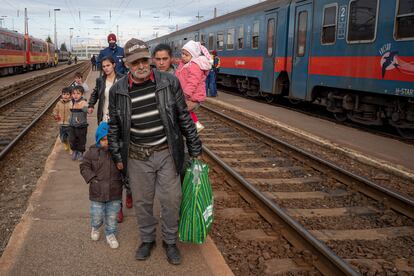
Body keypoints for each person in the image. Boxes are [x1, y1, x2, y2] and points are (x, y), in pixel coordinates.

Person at [107, 38, 202, 265]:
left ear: (149, 59)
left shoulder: (168, 82)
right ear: (127, 64)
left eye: (143, 60)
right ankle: (147, 239)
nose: (140, 66)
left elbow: (182, 116)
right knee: (142, 202)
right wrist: (117, 156)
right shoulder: (118, 90)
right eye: (134, 62)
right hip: (137, 156)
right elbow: (114, 127)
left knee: (171, 199)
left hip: (166, 152)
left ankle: (170, 241)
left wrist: (195, 148)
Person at [88, 56, 131, 223]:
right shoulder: (100, 81)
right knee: (110, 163)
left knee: (123, 160)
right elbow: (95, 94)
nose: (105, 68)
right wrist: (91, 105)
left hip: (121, 123)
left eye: (108, 65)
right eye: (103, 66)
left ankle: (130, 192)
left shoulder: (123, 79)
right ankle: (117, 205)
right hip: (105, 123)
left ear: (114, 65)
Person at [80, 122, 123, 249]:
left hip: (114, 191)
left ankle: (111, 234)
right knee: (97, 214)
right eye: (103, 140)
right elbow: (84, 166)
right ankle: (95, 227)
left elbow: (125, 169)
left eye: (109, 139)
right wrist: (92, 178)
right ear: (99, 139)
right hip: (97, 190)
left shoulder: (117, 153)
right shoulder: (92, 152)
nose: (107, 143)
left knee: (112, 216)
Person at [175, 40, 211, 132]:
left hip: (192, 95)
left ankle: (195, 125)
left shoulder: (194, 66)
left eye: (186, 55)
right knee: (186, 111)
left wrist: (185, 94)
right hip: (187, 94)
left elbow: (192, 82)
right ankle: (195, 124)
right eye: (182, 53)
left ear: (193, 56)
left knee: (182, 109)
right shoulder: (185, 64)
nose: (183, 56)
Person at [69, 85, 88, 161]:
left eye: (78, 93)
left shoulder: (83, 102)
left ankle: (80, 152)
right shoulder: (72, 102)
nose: (75, 95)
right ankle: (74, 150)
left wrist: (85, 108)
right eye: (74, 93)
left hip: (81, 125)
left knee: (81, 139)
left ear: (82, 94)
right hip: (72, 125)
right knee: (72, 139)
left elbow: (87, 110)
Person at [52, 87, 72, 152]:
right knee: (62, 138)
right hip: (61, 124)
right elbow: (55, 110)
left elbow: (74, 111)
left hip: (69, 124)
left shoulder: (72, 103)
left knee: (70, 138)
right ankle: (66, 143)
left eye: (67, 94)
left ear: (70, 95)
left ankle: (70, 147)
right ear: (61, 95)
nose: (65, 96)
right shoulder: (59, 103)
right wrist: (55, 115)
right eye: (64, 94)